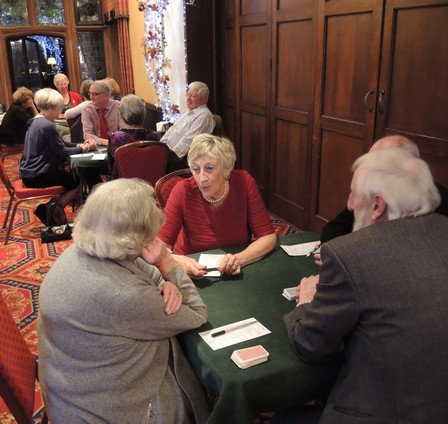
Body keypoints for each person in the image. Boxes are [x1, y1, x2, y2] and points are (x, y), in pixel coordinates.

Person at [274, 148, 448, 423]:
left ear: (378, 206)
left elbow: (311, 345)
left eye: (354, 193)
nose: (349, 204)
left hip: (388, 414)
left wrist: (306, 300)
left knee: (284, 416)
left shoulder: (350, 254)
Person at [38, 178, 210, 424]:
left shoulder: (85, 249)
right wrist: (167, 265)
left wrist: (164, 282)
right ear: (134, 240)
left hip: (71, 390)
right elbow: (196, 312)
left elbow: (141, 269)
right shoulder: (124, 295)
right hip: (111, 409)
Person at [158, 134, 276, 278]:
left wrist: (239, 260)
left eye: (210, 168)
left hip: (235, 265)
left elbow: (267, 237)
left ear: (227, 168)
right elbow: (160, 247)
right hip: (192, 268)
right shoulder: (182, 190)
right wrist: (179, 261)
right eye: (196, 169)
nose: (202, 178)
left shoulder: (244, 182)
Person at [320, 135, 448, 243]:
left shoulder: (439, 206)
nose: (350, 204)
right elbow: (333, 228)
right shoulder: (368, 191)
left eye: (378, 162)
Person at [19, 88, 95, 214]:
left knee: (70, 177)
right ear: (52, 108)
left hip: (29, 173)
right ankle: (51, 210)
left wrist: (79, 145)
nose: (60, 111)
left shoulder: (34, 121)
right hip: (39, 175)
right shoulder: (47, 125)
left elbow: (59, 143)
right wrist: (85, 148)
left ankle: (56, 208)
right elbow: (62, 151)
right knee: (77, 181)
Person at [160, 81, 215, 172]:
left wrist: (167, 156)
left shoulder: (204, 116)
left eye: (192, 96)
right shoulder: (187, 111)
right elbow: (171, 130)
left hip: (181, 161)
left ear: (203, 99)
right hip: (168, 154)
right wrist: (160, 146)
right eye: (187, 94)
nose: (188, 98)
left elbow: (187, 142)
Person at [107, 94, 159, 179]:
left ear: (122, 114)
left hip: (122, 183)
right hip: (149, 181)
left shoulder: (116, 137)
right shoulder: (154, 136)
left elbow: (110, 167)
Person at [81, 79, 124, 146]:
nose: (91, 97)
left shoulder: (119, 107)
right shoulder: (87, 110)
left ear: (106, 95)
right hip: (97, 146)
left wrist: (113, 142)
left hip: (117, 145)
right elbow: (88, 135)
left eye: (95, 94)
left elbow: (123, 131)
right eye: (90, 93)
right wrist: (105, 142)